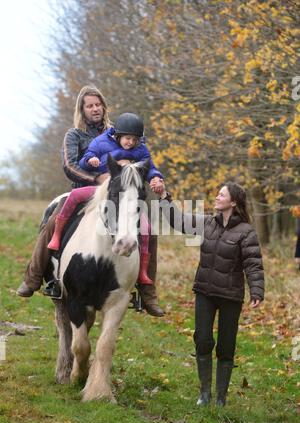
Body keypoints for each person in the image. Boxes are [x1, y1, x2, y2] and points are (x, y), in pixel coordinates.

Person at [16, 86, 164, 316]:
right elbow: (70, 165)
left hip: (118, 194)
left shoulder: (121, 133)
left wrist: (149, 179)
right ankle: (34, 276)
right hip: (84, 191)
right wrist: (99, 178)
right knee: (54, 220)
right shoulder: (74, 135)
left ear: (104, 107)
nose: (95, 109)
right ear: (82, 109)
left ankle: (147, 290)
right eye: (89, 105)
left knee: (147, 228)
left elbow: (140, 162)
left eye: (98, 104)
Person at [159, 182, 264, 406]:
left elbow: (253, 264)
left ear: (233, 202)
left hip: (230, 296)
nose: (216, 197)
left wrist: (256, 289)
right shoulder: (207, 222)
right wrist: (164, 198)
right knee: (203, 340)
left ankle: (220, 398)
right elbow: (179, 221)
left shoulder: (246, 232)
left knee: (226, 346)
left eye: (221, 194)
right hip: (205, 291)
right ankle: (204, 393)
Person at [47, 112, 165, 286]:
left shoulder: (141, 150)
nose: (130, 143)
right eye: (127, 138)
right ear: (117, 135)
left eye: (134, 139)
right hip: (100, 188)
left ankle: (142, 272)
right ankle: (57, 234)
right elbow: (85, 160)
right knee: (73, 196)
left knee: (146, 226)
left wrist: (155, 177)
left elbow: (150, 168)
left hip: (125, 194)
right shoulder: (101, 142)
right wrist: (90, 160)